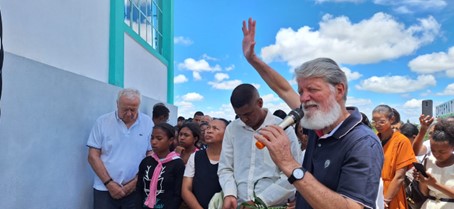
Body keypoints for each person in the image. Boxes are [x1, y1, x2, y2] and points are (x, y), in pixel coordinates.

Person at [243, 18, 384, 209]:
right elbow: (283, 89)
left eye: (312, 90)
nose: (303, 98)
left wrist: (289, 164)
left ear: (339, 90)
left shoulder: (362, 143)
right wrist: (253, 59)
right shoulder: (318, 124)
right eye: (301, 91)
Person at [218, 83, 301, 208]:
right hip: (240, 205)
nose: (244, 119)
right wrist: (230, 194)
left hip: (273, 205)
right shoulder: (232, 129)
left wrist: (260, 201)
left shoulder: (282, 129)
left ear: (260, 103)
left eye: (248, 114)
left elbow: (293, 172)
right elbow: (226, 168)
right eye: (239, 115)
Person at [87, 88, 153, 209]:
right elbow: (93, 155)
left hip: (135, 189)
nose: (129, 113)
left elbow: (151, 154)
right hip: (104, 189)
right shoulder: (103, 122)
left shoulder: (147, 123)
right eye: (124, 109)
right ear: (117, 104)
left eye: (133, 109)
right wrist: (109, 184)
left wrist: (135, 182)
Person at [372, 105, 416, 209]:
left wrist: (386, 200)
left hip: (391, 192)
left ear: (391, 119)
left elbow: (399, 176)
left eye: (382, 122)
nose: (377, 125)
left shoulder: (402, 141)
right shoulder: (374, 139)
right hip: (373, 191)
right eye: (374, 121)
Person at [181, 118, 230, 209]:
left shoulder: (232, 158)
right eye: (208, 128)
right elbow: (186, 189)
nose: (209, 131)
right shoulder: (195, 157)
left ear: (227, 133)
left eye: (215, 128)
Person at [136, 123, 185, 209]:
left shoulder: (177, 164)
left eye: (159, 138)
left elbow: (178, 194)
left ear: (170, 140)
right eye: (152, 138)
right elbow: (139, 189)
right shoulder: (146, 162)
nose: (154, 142)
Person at [413, 118, 454, 208]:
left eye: (442, 152)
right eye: (433, 150)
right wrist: (423, 181)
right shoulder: (428, 161)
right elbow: (425, 193)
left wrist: (434, 184)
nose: (437, 155)